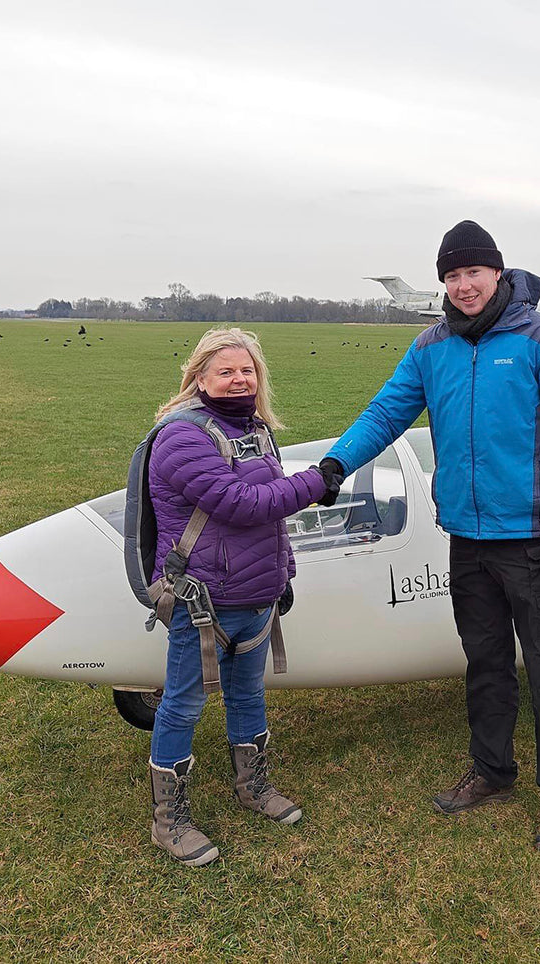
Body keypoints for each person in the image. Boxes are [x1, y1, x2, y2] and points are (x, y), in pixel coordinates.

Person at [319, 220, 540, 852]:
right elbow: (387, 411)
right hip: (465, 537)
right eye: (452, 275)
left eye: (474, 272)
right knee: (485, 665)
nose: (464, 286)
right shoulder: (430, 346)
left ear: (497, 273)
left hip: (530, 540)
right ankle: (493, 773)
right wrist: (336, 464)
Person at [146, 326, 335, 867]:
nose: (237, 380)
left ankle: (252, 787)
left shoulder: (254, 430)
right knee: (183, 704)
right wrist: (318, 482)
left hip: (256, 593)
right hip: (201, 600)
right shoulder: (181, 437)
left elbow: (270, 524)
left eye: (246, 370)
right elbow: (243, 504)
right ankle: (169, 821)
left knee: (249, 696)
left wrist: (285, 574)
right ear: (199, 376)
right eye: (224, 371)